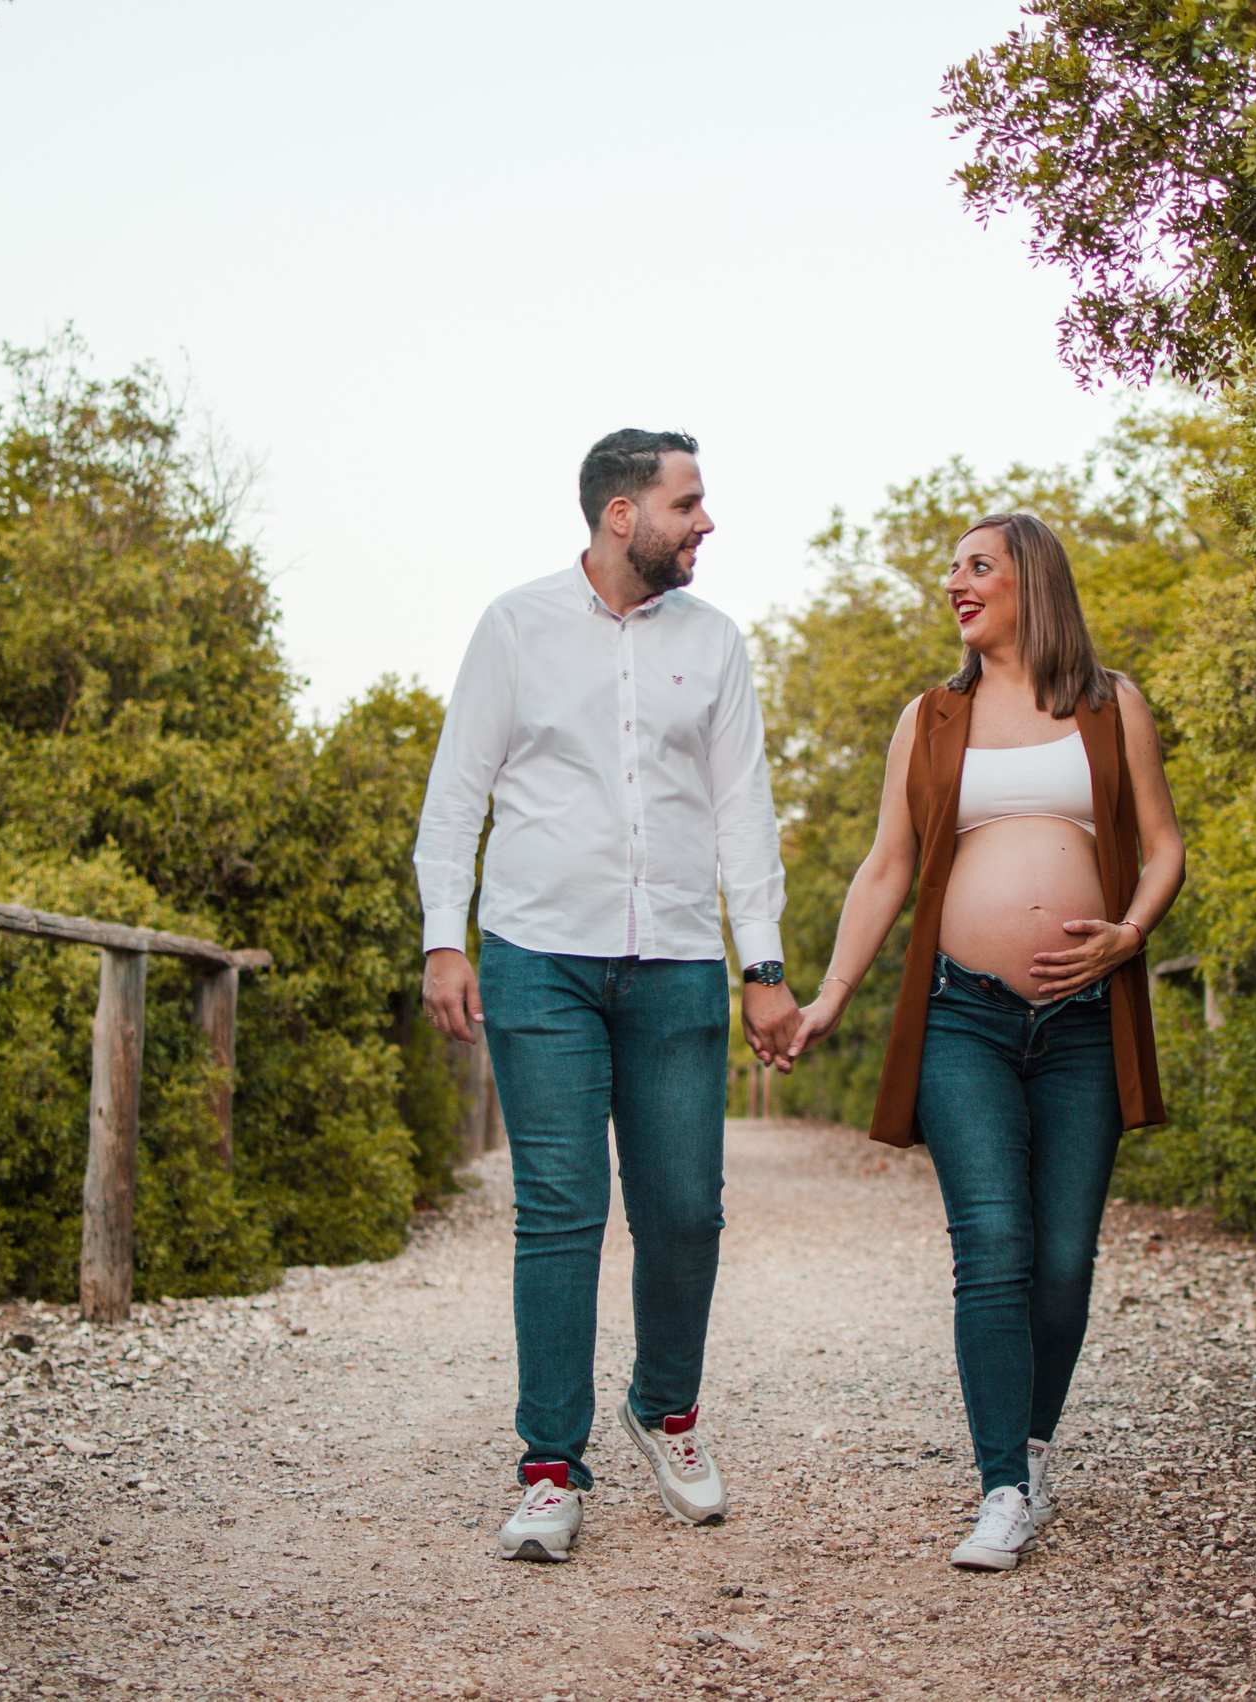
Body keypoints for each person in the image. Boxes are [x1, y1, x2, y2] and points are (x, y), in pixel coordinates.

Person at [414, 428, 801, 1563]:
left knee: (684, 1208)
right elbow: (456, 795)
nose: (705, 522)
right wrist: (447, 940)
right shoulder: (514, 625)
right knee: (562, 1208)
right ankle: (548, 1465)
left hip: (677, 958)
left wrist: (763, 967)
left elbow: (744, 811)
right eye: (688, 502)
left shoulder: (715, 642)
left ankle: (664, 1407)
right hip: (538, 953)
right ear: (621, 514)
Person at [787, 512, 1183, 1571]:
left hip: (1084, 1024)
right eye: (951, 569)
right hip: (961, 1015)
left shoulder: (1110, 704)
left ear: (1029, 581)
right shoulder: (931, 718)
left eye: (976, 567)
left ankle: (1033, 1442)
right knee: (995, 1252)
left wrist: (1128, 935)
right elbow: (884, 869)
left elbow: (1162, 846)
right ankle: (1002, 1483)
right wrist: (828, 995)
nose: (953, 583)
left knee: (1062, 1262)